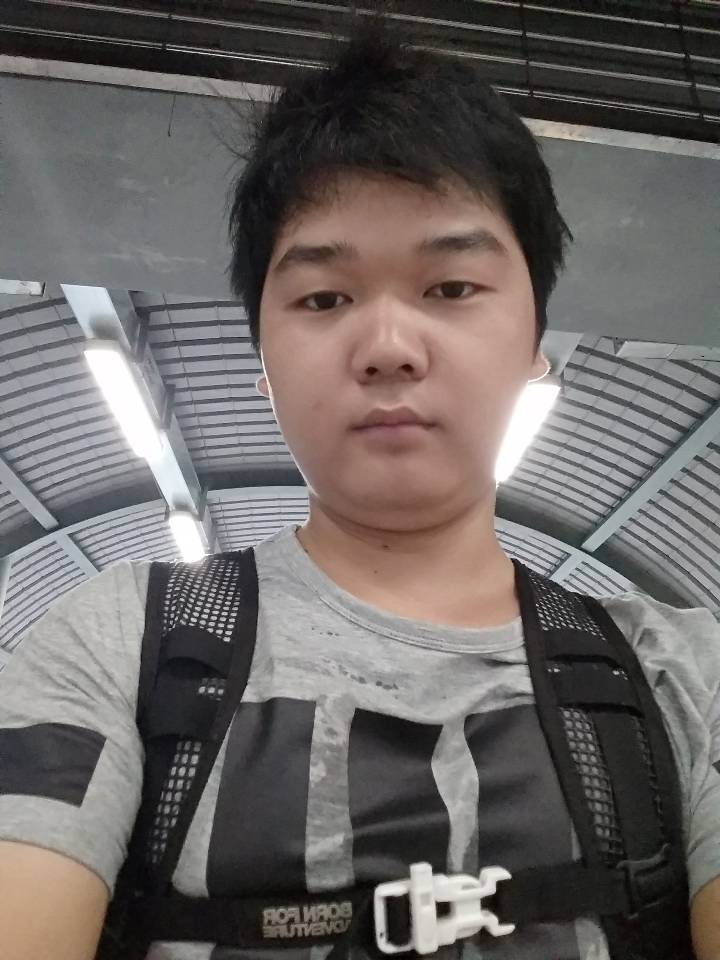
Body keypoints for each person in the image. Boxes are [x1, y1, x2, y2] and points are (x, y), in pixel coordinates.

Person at [1, 12, 720, 960]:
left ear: (534, 344)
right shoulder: (120, 647)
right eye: (324, 298)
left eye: (451, 288)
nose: (387, 347)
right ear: (264, 362)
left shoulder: (684, 678)